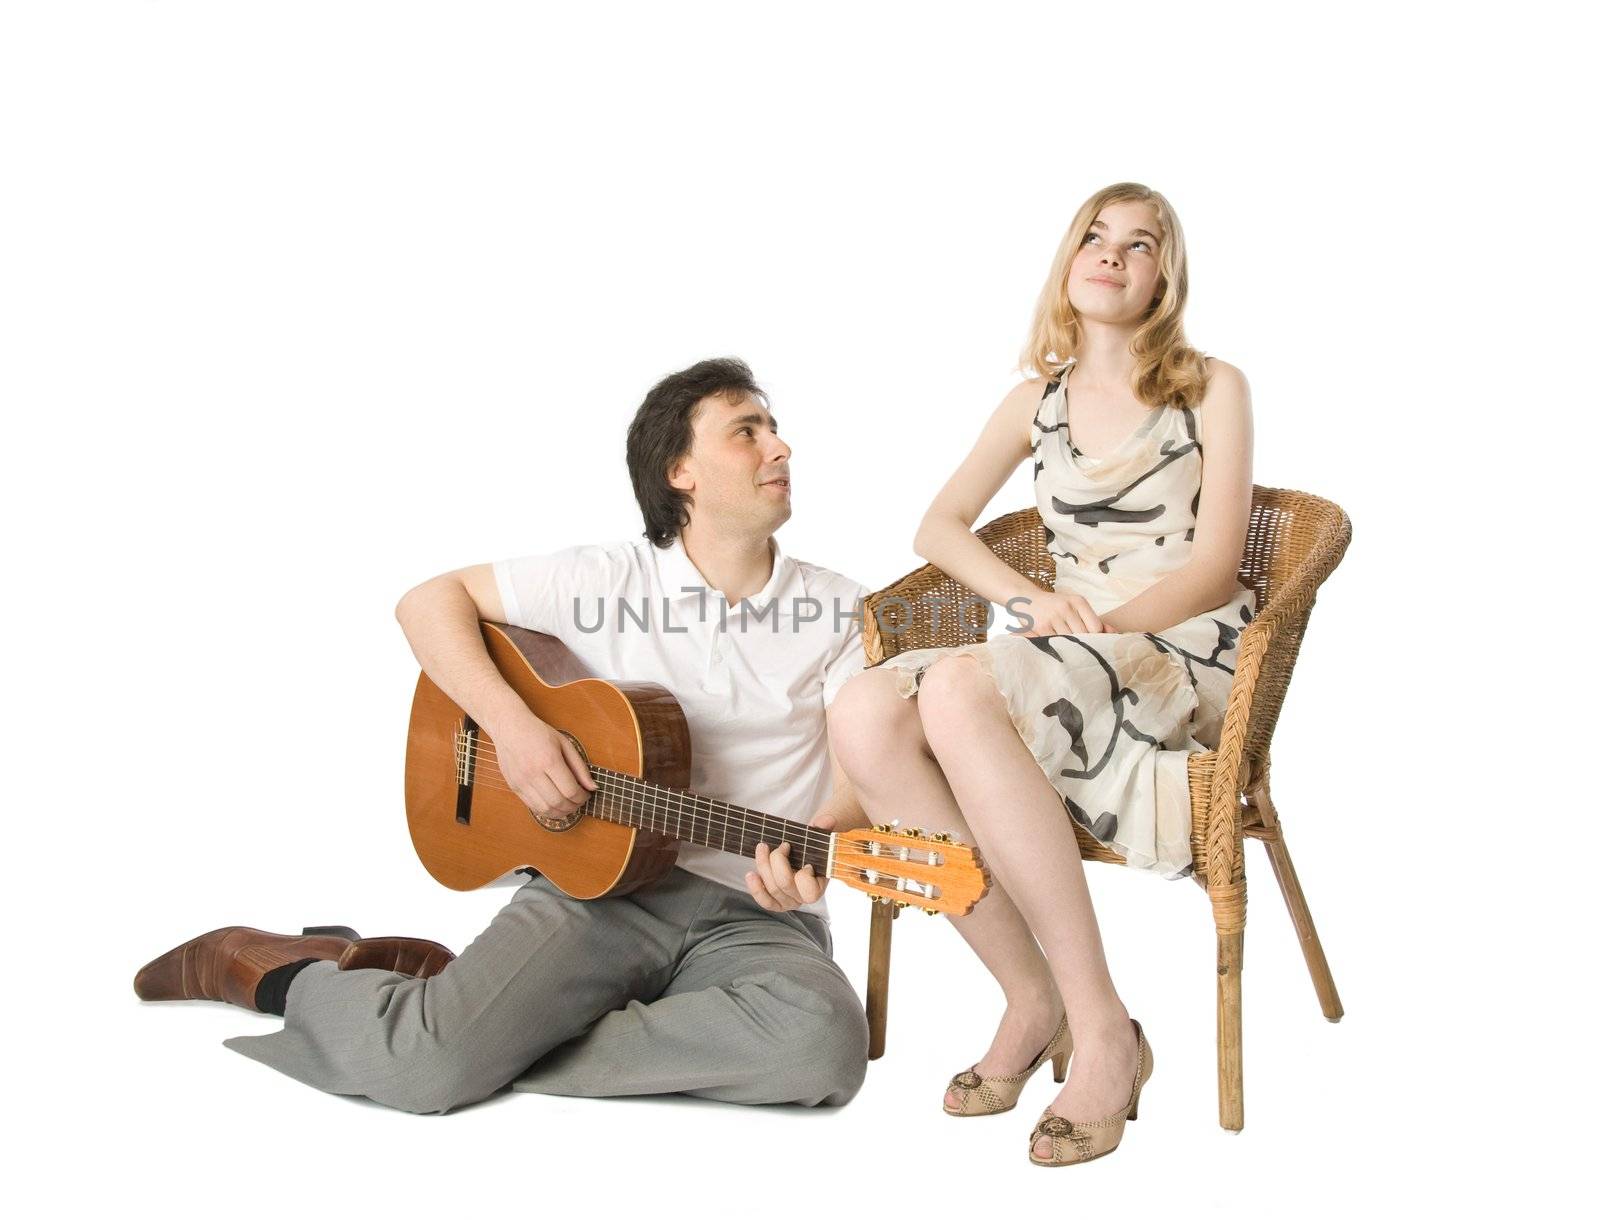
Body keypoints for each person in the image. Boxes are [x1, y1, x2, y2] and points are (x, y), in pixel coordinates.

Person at [133, 357, 874, 1114]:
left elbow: (864, 768)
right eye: (748, 432)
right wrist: (514, 729)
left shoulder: (845, 609)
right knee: (421, 1073)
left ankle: (475, 1024)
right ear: (680, 470)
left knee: (819, 1046)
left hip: (760, 916)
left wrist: (826, 837)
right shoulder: (601, 579)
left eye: (775, 431)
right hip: (602, 893)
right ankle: (286, 972)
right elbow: (428, 602)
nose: (780, 450)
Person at [828, 183, 1257, 1165]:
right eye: (1093, 238)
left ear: (1162, 278)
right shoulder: (1036, 402)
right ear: (1069, 264)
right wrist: (1025, 600)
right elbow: (936, 526)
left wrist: (1098, 624)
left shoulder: (1212, 387)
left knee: (955, 688)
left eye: (1137, 244)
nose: (1111, 255)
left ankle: (1103, 1030)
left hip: (1172, 646)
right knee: (862, 710)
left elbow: (1216, 564)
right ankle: (1029, 994)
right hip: (1060, 643)